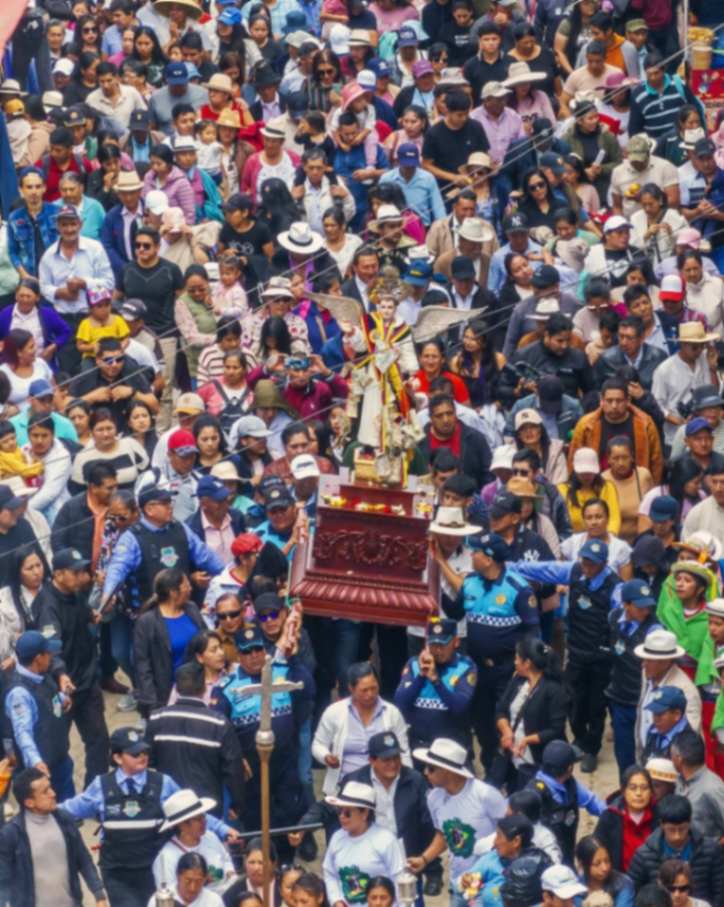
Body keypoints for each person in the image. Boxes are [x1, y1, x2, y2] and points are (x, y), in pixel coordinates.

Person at [60, 725, 237, 907]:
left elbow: (191, 809)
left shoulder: (163, 783)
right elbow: (71, 808)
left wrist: (223, 829)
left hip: (152, 870)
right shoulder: (101, 786)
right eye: (135, 754)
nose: (142, 756)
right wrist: (46, 810)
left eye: (144, 751)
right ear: (118, 758)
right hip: (117, 873)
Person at [34, 547, 110, 789]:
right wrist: (61, 675)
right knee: (56, 748)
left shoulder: (75, 594)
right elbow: (51, 647)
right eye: (75, 572)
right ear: (58, 574)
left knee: (99, 742)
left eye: (82, 571)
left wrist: (92, 615)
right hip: (61, 689)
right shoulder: (47, 605)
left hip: (87, 682)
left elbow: (82, 615)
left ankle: (94, 794)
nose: (82, 576)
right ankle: (57, 799)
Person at [100, 483, 223, 616]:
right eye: (165, 503)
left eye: (170, 502)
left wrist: (228, 575)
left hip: (183, 610)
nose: (170, 507)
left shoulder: (181, 528)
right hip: (148, 616)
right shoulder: (131, 538)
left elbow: (206, 556)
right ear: (149, 509)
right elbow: (117, 569)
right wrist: (107, 596)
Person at [408, 737, 507, 896]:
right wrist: (424, 859)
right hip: (458, 883)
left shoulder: (486, 795)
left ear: (447, 770)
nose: (425, 772)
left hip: (488, 883)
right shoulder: (433, 798)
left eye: (431, 768)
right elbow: (443, 835)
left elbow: (510, 832)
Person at [147, 660, 246, 818]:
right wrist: (237, 803)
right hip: (208, 808)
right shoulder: (218, 723)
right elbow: (233, 768)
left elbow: (148, 761)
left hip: (169, 805)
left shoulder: (157, 718)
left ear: (177, 689)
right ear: (204, 687)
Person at [0, 767, 108, 907]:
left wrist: (99, 894)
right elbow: (3, 877)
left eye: (50, 787)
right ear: (29, 802)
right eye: (45, 792)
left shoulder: (64, 820)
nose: (53, 793)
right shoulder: (12, 834)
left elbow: (83, 859)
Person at [313, 661, 411, 796]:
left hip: (384, 788)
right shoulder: (334, 712)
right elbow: (318, 744)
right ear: (351, 689)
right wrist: (326, 757)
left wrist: (407, 785)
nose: (370, 694)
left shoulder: (392, 713)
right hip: (344, 788)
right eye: (364, 690)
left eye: (374, 688)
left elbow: (404, 753)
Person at [3, 629, 72, 798]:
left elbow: (45, 704)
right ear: (38, 658)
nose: (51, 656)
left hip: (60, 760)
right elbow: (22, 732)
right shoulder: (19, 694)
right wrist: (37, 762)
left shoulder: (41, 675)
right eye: (48, 653)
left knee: (68, 812)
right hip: (43, 775)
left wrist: (62, 699)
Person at [492, 636, 567, 790]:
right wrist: (506, 731)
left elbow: (556, 729)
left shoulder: (553, 690)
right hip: (513, 757)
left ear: (527, 663)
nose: (515, 662)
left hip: (537, 762)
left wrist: (527, 740)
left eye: (517, 658)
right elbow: (501, 709)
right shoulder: (517, 680)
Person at [606, 581, 662, 778]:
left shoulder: (654, 630)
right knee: (623, 754)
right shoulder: (614, 618)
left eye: (648, 607)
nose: (645, 611)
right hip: (619, 697)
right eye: (640, 607)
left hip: (643, 701)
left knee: (646, 755)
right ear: (626, 605)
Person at [395, 616, 477, 750]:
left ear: (456, 642)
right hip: (418, 744)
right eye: (433, 645)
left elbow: (459, 707)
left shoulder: (465, 667)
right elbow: (400, 703)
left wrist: (436, 681)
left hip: (451, 746)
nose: (438, 650)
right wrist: (421, 676)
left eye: (443, 645)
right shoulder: (414, 664)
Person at [322, 781, 406, 907]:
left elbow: (400, 880)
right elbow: (329, 873)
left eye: (347, 813)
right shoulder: (337, 838)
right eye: (339, 811)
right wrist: (336, 900)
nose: (342, 817)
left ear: (364, 813)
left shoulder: (385, 840)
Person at [627, 795, 724, 904]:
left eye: (682, 829)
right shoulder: (644, 855)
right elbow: (633, 893)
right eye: (671, 830)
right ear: (662, 824)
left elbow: (720, 891)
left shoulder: (710, 850)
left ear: (690, 823)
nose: (677, 836)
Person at [528, 741, 605, 866]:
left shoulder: (569, 783)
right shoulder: (533, 794)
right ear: (570, 768)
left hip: (567, 855)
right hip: (544, 863)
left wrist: (616, 815)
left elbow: (593, 802)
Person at [152, 788, 235, 895]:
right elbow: (170, 895)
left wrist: (230, 874)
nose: (204, 821)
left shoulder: (210, 837)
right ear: (182, 825)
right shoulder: (166, 858)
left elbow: (226, 859)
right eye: (198, 819)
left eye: (203, 816)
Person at [594, 766, 657, 873]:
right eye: (633, 788)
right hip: (618, 877)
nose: (638, 793)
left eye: (644, 788)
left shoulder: (658, 815)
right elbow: (597, 849)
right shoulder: (610, 816)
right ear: (623, 791)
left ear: (651, 791)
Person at [671, 730, 724, 839]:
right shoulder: (678, 781)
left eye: (671, 755)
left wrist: (714, 846)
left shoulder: (712, 788)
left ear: (679, 758)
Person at [574, 836, 635, 907]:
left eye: (607, 861)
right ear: (582, 864)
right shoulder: (575, 887)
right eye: (597, 864)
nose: (605, 868)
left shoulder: (623, 884)